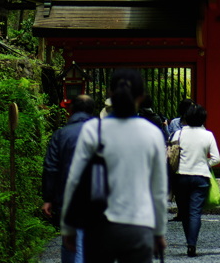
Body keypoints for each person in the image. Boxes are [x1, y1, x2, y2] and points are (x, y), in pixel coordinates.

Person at [60, 68, 168, 263]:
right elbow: (158, 190)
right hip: (139, 225)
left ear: (110, 94)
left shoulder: (93, 130)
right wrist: (159, 231)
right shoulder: (152, 133)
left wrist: (68, 227)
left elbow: (74, 180)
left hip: (99, 225)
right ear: (141, 97)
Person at [42, 94, 96, 263]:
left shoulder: (61, 134)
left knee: (71, 242)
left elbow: (51, 167)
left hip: (67, 197)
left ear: (71, 110)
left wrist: (48, 198)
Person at [172, 103, 220, 258]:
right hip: (200, 177)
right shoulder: (208, 135)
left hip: (180, 176)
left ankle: (188, 241)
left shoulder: (177, 134)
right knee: (195, 212)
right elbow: (216, 158)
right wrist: (205, 164)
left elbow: (169, 156)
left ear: (185, 117)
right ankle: (192, 244)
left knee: (184, 212)